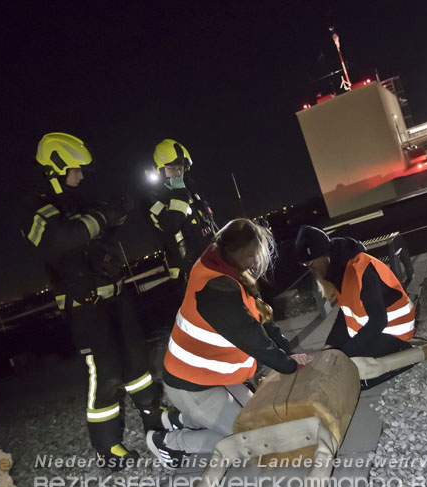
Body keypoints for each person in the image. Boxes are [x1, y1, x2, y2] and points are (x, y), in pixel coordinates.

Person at [23, 132, 170, 469]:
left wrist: (115, 214)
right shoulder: (35, 209)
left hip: (116, 296)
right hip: (84, 308)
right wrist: (103, 217)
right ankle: (107, 446)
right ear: (56, 168)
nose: (81, 176)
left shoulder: (74, 204)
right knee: (105, 374)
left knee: (137, 362)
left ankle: (153, 416)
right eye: (76, 170)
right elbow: (59, 240)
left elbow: (95, 235)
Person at [146, 219, 312, 467]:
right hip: (190, 385)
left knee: (260, 419)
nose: (255, 262)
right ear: (236, 253)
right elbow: (253, 339)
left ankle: (181, 419)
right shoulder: (215, 290)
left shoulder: (226, 270)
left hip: (212, 376)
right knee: (251, 440)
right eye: (251, 255)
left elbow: (261, 321)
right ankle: (168, 442)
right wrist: (287, 365)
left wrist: (288, 353)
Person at [293, 225, 416, 389]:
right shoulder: (337, 269)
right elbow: (345, 313)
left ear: (322, 256)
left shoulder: (360, 269)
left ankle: (403, 355)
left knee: (353, 376)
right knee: (336, 364)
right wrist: (330, 346)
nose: (309, 268)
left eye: (309, 262)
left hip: (394, 330)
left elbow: (378, 321)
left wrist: (345, 354)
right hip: (376, 330)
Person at [147, 139, 217, 283]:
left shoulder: (191, 192)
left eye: (181, 168)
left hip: (213, 263)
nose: (178, 173)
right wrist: (179, 193)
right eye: (172, 168)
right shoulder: (154, 200)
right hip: (189, 275)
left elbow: (210, 225)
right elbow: (171, 225)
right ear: (159, 170)